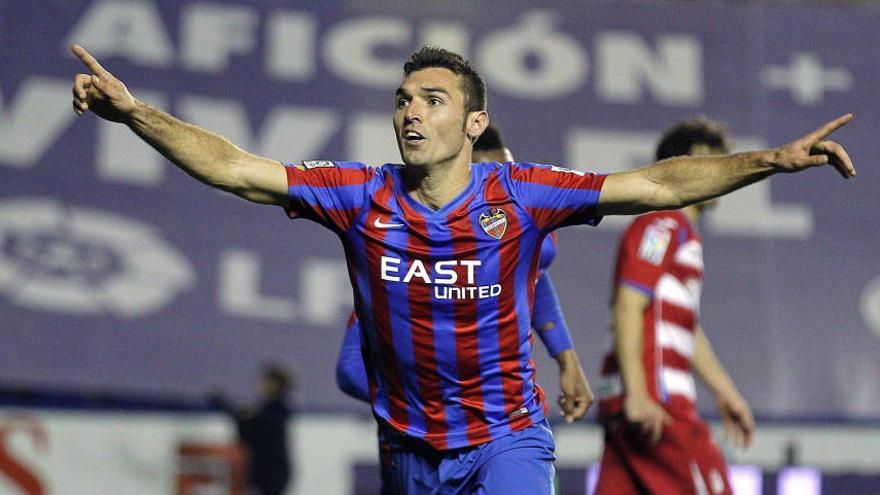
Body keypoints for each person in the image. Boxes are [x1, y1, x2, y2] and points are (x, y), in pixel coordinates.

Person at [70, 42, 854, 494]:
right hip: (407, 447)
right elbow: (235, 168)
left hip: (507, 437)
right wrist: (136, 114)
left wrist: (773, 161)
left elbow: (656, 185)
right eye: (405, 97)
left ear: (474, 123)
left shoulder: (521, 194)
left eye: (434, 99)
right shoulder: (358, 193)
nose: (411, 110)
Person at [335, 124, 588, 494]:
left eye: (505, 171)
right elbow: (349, 368)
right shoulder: (402, 264)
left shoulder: (516, 218)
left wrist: (566, 357)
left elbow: (532, 276)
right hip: (415, 442)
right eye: (489, 177)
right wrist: (433, 401)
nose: (499, 187)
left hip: (502, 430)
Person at [594, 117, 755, 495]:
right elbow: (628, 304)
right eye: (722, 162)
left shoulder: (680, 233)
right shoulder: (662, 224)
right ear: (698, 159)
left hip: (637, 402)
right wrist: (638, 392)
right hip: (654, 404)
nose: (727, 174)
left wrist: (725, 391)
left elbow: (685, 329)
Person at [212, 365, 294, 495]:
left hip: (271, 472)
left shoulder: (276, 412)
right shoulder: (268, 410)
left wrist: (226, 407)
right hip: (264, 471)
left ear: (276, 385)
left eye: (267, 382)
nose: (262, 385)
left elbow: (252, 427)